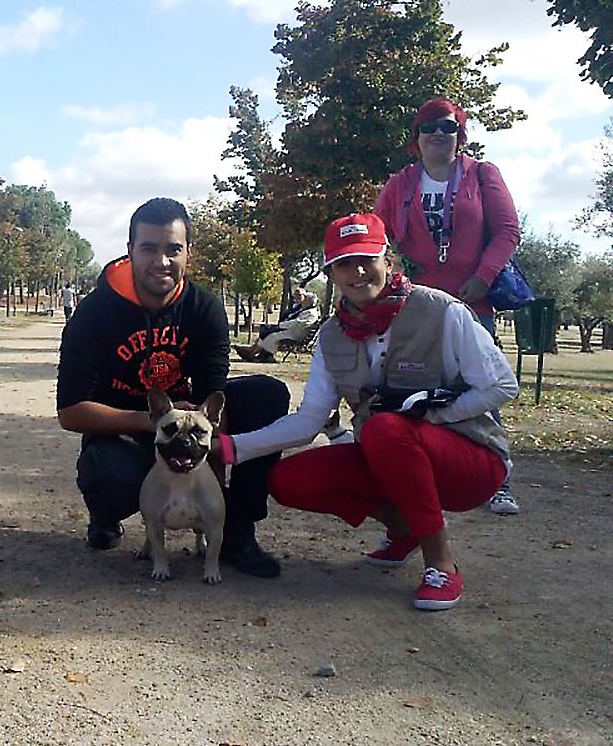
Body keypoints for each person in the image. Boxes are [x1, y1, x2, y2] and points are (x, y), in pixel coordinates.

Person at [214, 214, 517, 610]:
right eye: (343, 263)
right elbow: (309, 422)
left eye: (366, 258)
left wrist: (432, 415)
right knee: (289, 479)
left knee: (384, 429)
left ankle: (440, 562)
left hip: (471, 461)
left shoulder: (443, 311)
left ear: (388, 260)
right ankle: (402, 527)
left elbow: (501, 386)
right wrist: (229, 446)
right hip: (391, 454)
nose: (357, 271)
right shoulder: (331, 334)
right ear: (331, 274)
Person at [56, 197, 291, 578]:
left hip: (188, 420)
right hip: (127, 430)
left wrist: (210, 483)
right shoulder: (94, 312)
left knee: (269, 394)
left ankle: (236, 530)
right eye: (149, 248)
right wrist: (150, 421)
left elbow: (217, 396)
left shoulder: (204, 308)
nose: (161, 261)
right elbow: (70, 412)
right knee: (108, 473)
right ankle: (105, 514)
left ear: (188, 254)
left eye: (173, 249)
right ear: (130, 251)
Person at [374, 96, 521, 516]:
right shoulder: (400, 183)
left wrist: (484, 277)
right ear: (416, 139)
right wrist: (391, 268)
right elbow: (379, 235)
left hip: (473, 302)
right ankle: (422, 472)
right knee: (413, 386)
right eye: (429, 127)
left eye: (449, 126)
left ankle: (498, 477)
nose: (439, 133)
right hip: (416, 307)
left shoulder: (483, 175)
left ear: (461, 135)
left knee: (482, 388)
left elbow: (508, 230)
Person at [233, 288, 321, 363]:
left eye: (305, 299)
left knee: (272, 335)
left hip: (296, 335)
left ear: (309, 301)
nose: (303, 301)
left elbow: (297, 323)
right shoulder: (307, 310)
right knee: (268, 331)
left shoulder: (311, 313)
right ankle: (253, 352)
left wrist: (281, 325)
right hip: (291, 331)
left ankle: (261, 354)